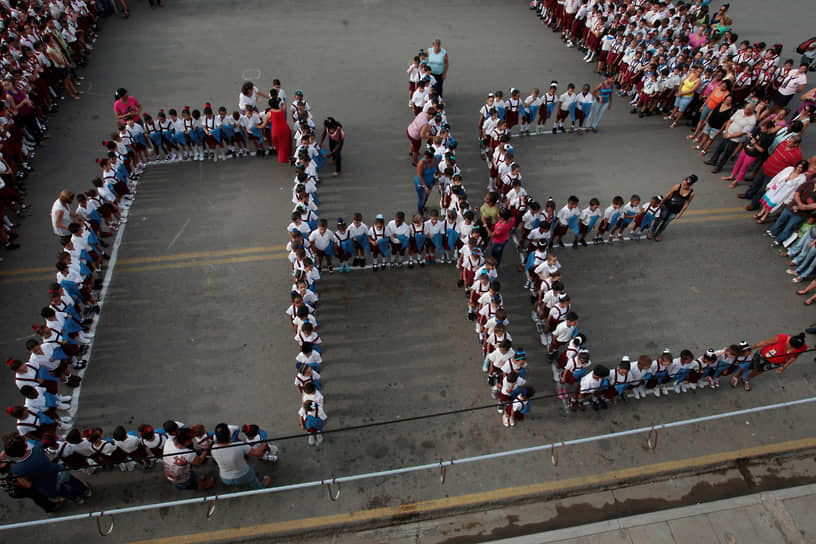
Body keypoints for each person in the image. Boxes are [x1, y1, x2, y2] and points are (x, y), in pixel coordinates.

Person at [210, 423, 270, 490]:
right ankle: (261, 486)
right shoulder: (240, 445)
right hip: (244, 475)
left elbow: (216, 460)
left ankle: (238, 486)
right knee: (253, 479)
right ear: (229, 435)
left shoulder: (213, 448)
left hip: (225, 478)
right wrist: (264, 442)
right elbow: (257, 453)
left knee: (235, 482)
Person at [743, 333, 808, 390]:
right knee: (750, 365)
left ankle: (746, 379)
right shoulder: (781, 338)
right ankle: (740, 372)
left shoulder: (803, 347)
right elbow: (765, 343)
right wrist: (750, 349)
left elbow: (794, 357)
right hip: (763, 355)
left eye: (794, 348)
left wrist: (784, 367)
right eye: (790, 345)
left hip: (775, 363)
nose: (791, 348)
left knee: (759, 370)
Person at [648, 175, 697, 241]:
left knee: (665, 223)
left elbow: (686, 204)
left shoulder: (691, 193)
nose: (683, 185)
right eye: (683, 183)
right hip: (666, 207)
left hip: (675, 211)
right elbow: (667, 195)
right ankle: (652, 231)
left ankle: (658, 233)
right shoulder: (677, 187)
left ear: (690, 186)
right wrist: (660, 204)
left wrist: (680, 214)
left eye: (686, 185)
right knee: (659, 219)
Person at [260, 95, 291, 165]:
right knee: (285, 144)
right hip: (285, 128)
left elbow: (264, 125)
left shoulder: (269, 113)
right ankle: (287, 157)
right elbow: (284, 105)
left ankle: (283, 158)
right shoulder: (281, 110)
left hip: (276, 131)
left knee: (279, 145)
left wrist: (258, 126)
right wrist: (283, 101)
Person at [414, 150, 438, 215]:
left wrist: (438, 171)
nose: (424, 159)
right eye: (424, 157)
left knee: (426, 197)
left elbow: (437, 164)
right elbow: (419, 175)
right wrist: (425, 187)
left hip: (430, 182)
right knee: (421, 199)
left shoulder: (436, 159)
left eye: (426, 158)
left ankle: (423, 206)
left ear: (431, 158)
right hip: (421, 185)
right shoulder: (421, 163)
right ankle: (420, 214)